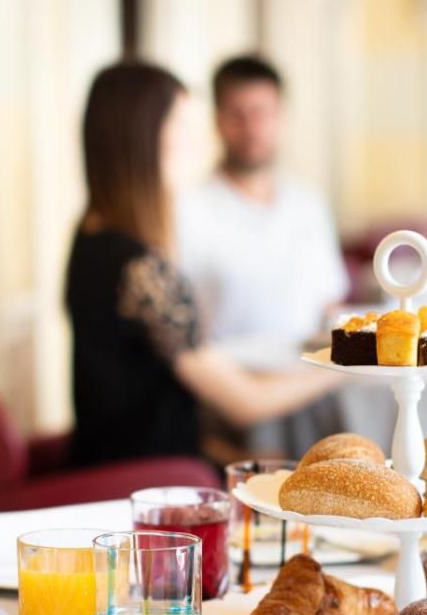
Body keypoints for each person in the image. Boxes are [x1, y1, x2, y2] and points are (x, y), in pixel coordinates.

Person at [64, 62, 342, 465]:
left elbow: (139, 400)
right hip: (148, 482)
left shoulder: (93, 237)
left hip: (140, 463)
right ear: (145, 138)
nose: (193, 141)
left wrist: (229, 454)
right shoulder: (139, 269)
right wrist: (349, 367)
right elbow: (245, 402)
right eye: (179, 125)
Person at [176, 55, 349, 345]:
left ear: (281, 117)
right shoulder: (187, 208)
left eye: (262, 113)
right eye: (238, 114)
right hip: (224, 370)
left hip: (305, 366)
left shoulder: (308, 203)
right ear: (217, 120)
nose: (252, 128)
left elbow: (329, 301)